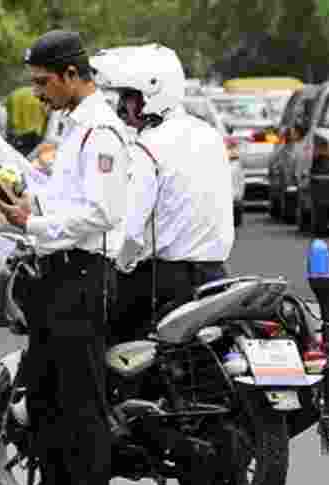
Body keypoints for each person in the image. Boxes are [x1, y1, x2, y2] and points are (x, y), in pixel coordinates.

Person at [0, 29, 130, 485]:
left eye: (43, 81)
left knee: (81, 402)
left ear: (72, 75)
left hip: (81, 275)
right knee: (45, 397)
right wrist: (28, 195)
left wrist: (35, 223)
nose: (37, 92)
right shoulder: (72, 127)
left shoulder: (102, 132)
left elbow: (102, 213)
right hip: (52, 275)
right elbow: (65, 196)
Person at [93, 44, 235, 345]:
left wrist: (117, 265)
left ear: (150, 95)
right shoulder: (208, 135)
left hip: (163, 280)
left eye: (128, 96)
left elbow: (131, 232)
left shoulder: (148, 147)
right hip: (216, 275)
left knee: (103, 346)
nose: (121, 106)